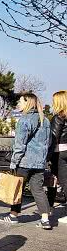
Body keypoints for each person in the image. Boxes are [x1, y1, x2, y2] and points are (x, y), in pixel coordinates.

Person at [0, 92, 52, 229]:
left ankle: (13, 216)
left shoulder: (24, 120)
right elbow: (49, 142)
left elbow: (19, 145)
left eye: (21, 101)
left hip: (24, 162)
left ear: (27, 102)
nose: (18, 104)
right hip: (39, 162)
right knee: (38, 190)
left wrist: (14, 162)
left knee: (17, 188)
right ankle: (45, 219)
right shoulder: (44, 120)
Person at [47, 90, 67, 224]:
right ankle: (49, 207)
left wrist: (47, 155)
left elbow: (53, 139)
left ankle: (49, 208)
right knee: (55, 180)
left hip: (59, 153)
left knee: (59, 181)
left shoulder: (58, 117)